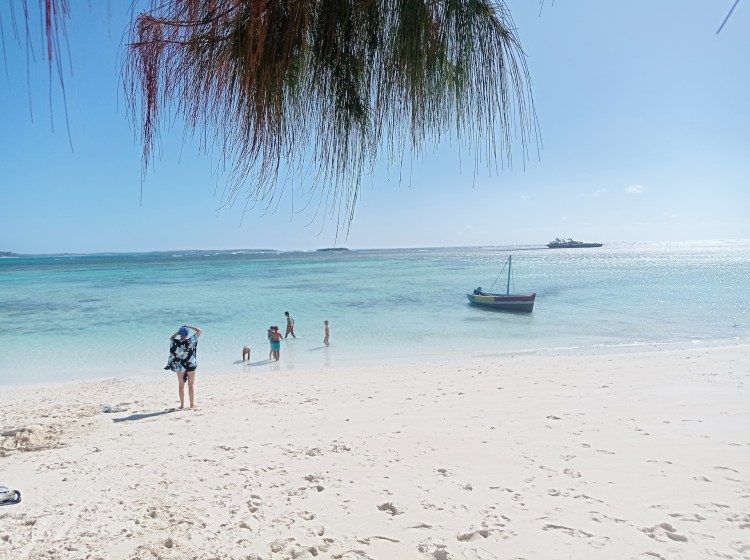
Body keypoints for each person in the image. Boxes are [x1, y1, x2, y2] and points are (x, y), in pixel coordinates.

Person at [165, 325, 202, 409]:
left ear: (180, 334)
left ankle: (182, 405)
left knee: (181, 385)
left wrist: (178, 332)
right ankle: (192, 405)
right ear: (187, 334)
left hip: (180, 366)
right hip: (190, 364)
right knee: (191, 385)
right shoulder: (191, 341)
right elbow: (199, 331)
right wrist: (188, 326)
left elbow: (171, 338)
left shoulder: (175, 342)